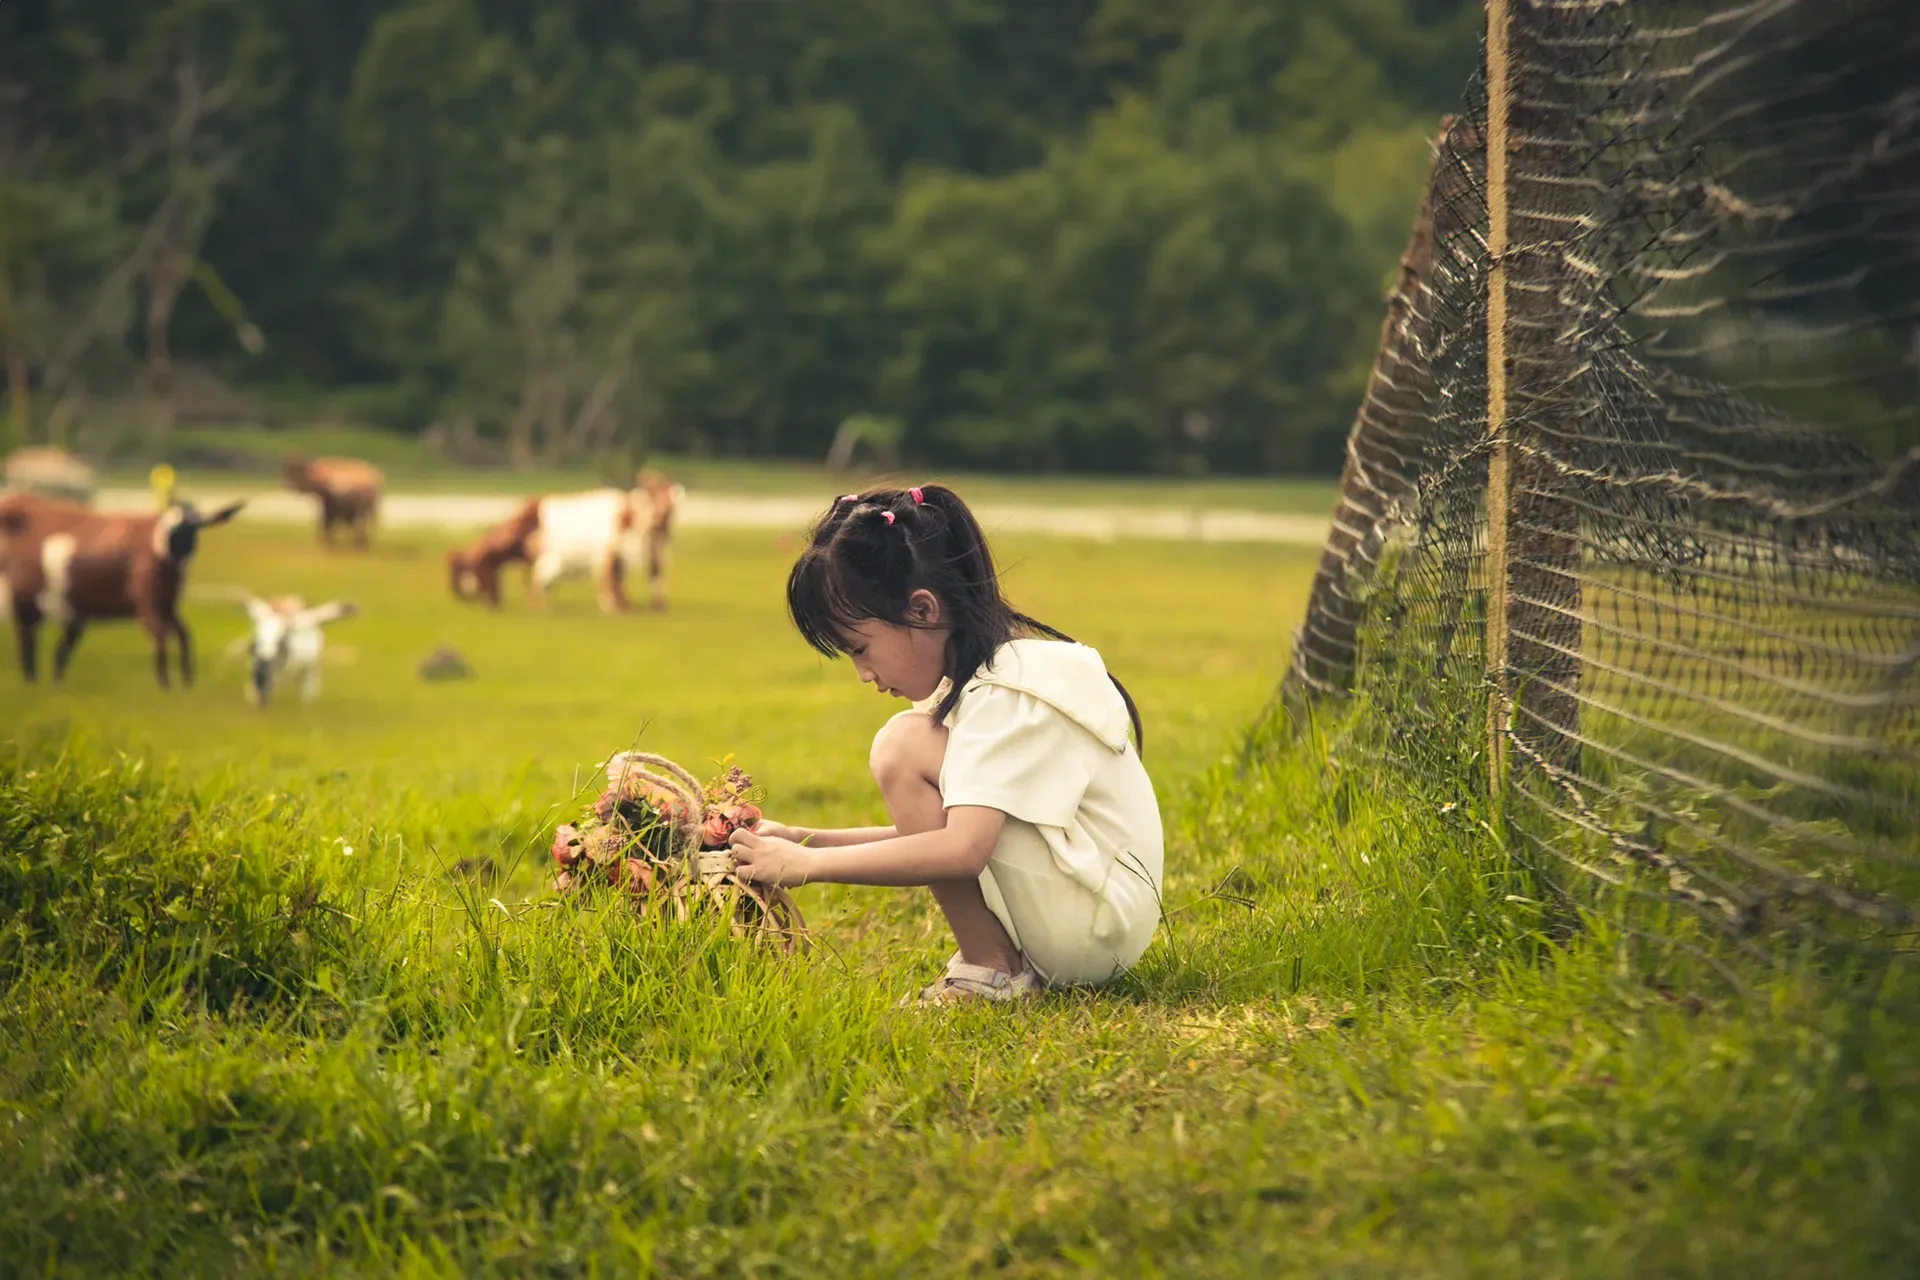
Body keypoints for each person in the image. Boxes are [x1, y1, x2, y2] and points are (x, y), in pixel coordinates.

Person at [728, 484, 1164, 1005]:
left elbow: (961, 848)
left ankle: (990, 969)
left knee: (901, 745)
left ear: (922, 610)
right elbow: (955, 827)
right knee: (906, 742)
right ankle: (997, 963)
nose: (863, 674)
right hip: (1098, 921)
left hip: (1092, 930)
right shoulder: (1003, 678)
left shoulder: (1004, 698)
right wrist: (804, 838)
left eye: (861, 649)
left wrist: (809, 868)